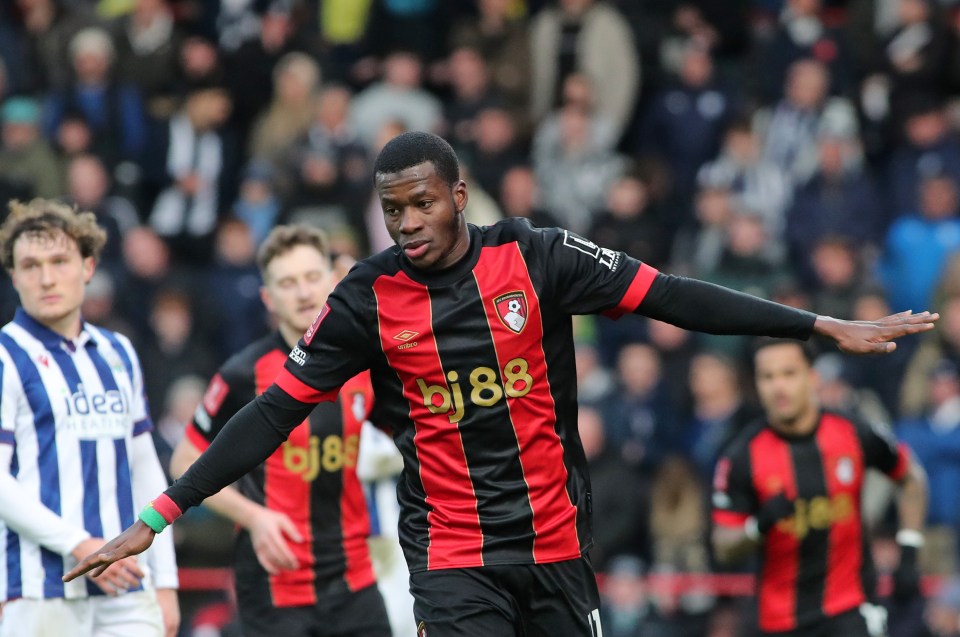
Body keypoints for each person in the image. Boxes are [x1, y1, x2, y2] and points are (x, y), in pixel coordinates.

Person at [66, 132, 938, 637]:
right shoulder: (366, 298)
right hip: (450, 555)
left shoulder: (537, 256)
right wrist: (156, 519)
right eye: (392, 209)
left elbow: (673, 297)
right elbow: (272, 415)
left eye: (422, 203)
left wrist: (817, 324)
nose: (407, 222)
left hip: (557, 545)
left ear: (459, 191)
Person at [167, 225, 392, 637]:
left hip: (355, 578)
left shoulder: (366, 360)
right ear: (269, 298)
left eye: (311, 277)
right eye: (288, 283)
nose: (304, 293)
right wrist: (253, 517)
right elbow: (184, 461)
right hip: (273, 585)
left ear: (331, 280)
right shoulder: (241, 374)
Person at [0, 199, 178, 636]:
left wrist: (167, 578)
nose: (46, 277)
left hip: (128, 584)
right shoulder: (6, 356)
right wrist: (81, 546)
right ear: (14, 276)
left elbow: (143, 465)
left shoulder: (119, 351)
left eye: (59, 260)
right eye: (31, 265)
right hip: (40, 591)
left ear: (88, 266)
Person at [711, 338, 929, 637]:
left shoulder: (853, 431)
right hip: (778, 619)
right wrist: (757, 527)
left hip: (851, 608)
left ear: (812, 377)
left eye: (789, 374)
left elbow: (911, 478)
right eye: (768, 377)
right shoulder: (741, 456)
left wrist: (909, 549)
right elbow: (723, 546)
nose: (778, 387)